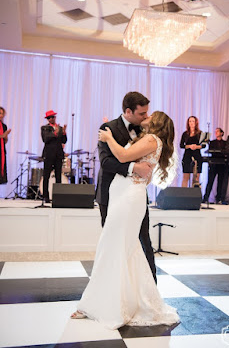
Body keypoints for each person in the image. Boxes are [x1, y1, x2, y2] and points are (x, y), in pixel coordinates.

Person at [71, 111, 179, 329]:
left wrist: (108, 138)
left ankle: (107, 304)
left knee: (113, 246)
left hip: (129, 197)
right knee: (121, 248)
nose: (146, 116)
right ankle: (117, 301)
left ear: (157, 122)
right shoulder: (148, 138)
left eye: (150, 114)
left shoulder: (151, 139)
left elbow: (121, 156)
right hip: (124, 194)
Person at [95, 92, 156, 282]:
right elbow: (106, 162)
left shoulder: (146, 131)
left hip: (136, 194)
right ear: (128, 111)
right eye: (142, 113)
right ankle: (113, 287)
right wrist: (134, 167)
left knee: (144, 239)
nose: (146, 117)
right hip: (111, 194)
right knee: (112, 242)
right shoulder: (108, 128)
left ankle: (150, 287)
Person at [41, 110, 67, 203]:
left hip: (58, 154)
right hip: (48, 154)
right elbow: (45, 139)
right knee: (46, 176)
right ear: (48, 119)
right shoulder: (44, 128)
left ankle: (58, 196)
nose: (51, 118)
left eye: (53, 117)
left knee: (58, 175)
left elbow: (64, 140)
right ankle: (45, 196)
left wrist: (63, 132)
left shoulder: (59, 128)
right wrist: (55, 133)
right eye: (49, 117)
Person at [203, 128, 229, 204]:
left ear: (222, 133)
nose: (216, 133)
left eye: (217, 131)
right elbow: (211, 151)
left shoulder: (225, 143)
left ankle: (219, 198)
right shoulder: (212, 142)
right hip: (213, 164)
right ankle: (205, 198)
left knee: (220, 182)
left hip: (222, 164)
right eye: (215, 131)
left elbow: (226, 151)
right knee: (210, 181)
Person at [180, 116, 203, 187]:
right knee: (185, 177)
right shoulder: (185, 134)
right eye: (190, 121)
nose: (191, 123)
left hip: (197, 155)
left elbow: (203, 145)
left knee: (196, 178)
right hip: (187, 156)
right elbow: (181, 145)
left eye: (193, 121)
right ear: (188, 123)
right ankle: (183, 195)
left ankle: (195, 195)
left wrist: (196, 146)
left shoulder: (200, 133)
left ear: (196, 122)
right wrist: (189, 146)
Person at [0, 107, 11, 184]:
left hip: (1, 151)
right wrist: (2, 135)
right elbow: (2, 136)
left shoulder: (4, 126)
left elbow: (5, 141)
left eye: (2, 113)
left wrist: (6, 137)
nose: (1, 115)